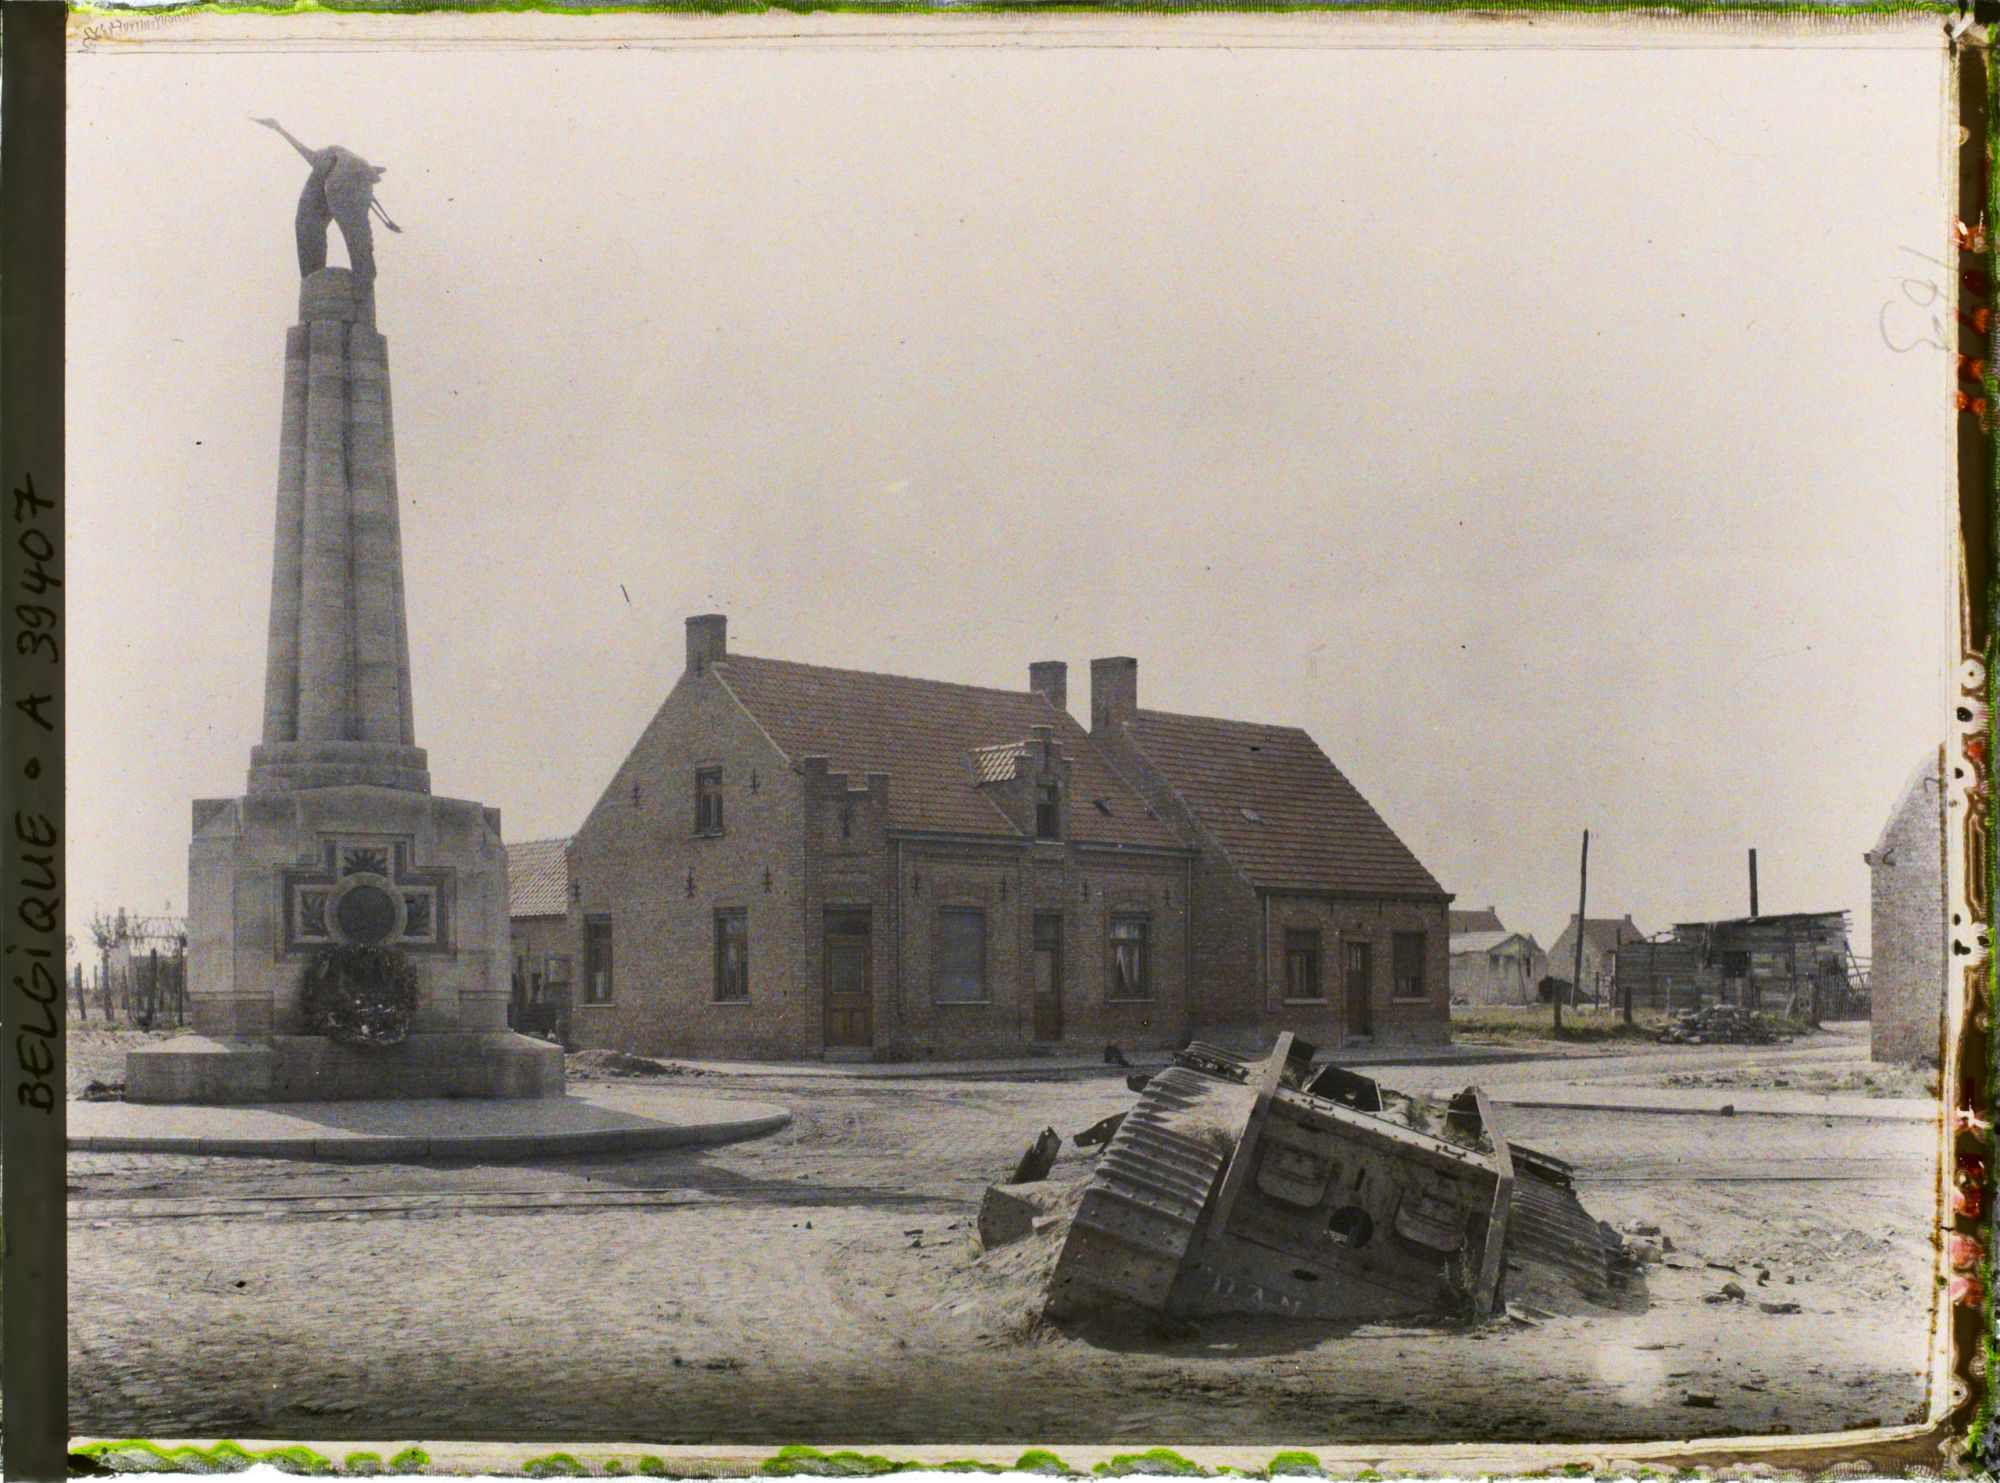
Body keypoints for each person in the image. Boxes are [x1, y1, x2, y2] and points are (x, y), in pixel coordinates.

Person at [252, 118, 400, 281]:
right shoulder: (331, 162)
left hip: (343, 178)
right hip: (350, 177)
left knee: (328, 227)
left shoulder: (328, 162)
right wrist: (279, 129)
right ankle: (325, 277)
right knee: (337, 229)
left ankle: (346, 276)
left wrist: (279, 129)